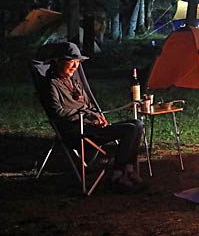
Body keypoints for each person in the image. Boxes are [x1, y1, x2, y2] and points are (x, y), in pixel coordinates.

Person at [44, 42, 145, 189]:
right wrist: (88, 117)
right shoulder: (51, 84)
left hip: (91, 126)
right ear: (59, 62)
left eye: (77, 62)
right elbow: (58, 112)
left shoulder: (74, 81)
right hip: (77, 132)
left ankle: (128, 169)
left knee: (137, 124)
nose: (75, 66)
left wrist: (97, 115)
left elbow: (88, 105)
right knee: (129, 129)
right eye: (71, 62)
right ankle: (117, 175)